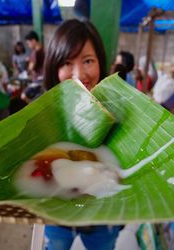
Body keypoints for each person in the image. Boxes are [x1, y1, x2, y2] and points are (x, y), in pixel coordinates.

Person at [43, 19, 122, 250]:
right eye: (67, 62)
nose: (79, 75)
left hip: (103, 217)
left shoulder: (119, 109)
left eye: (88, 60)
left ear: (101, 62)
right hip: (57, 216)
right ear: (54, 67)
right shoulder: (43, 115)